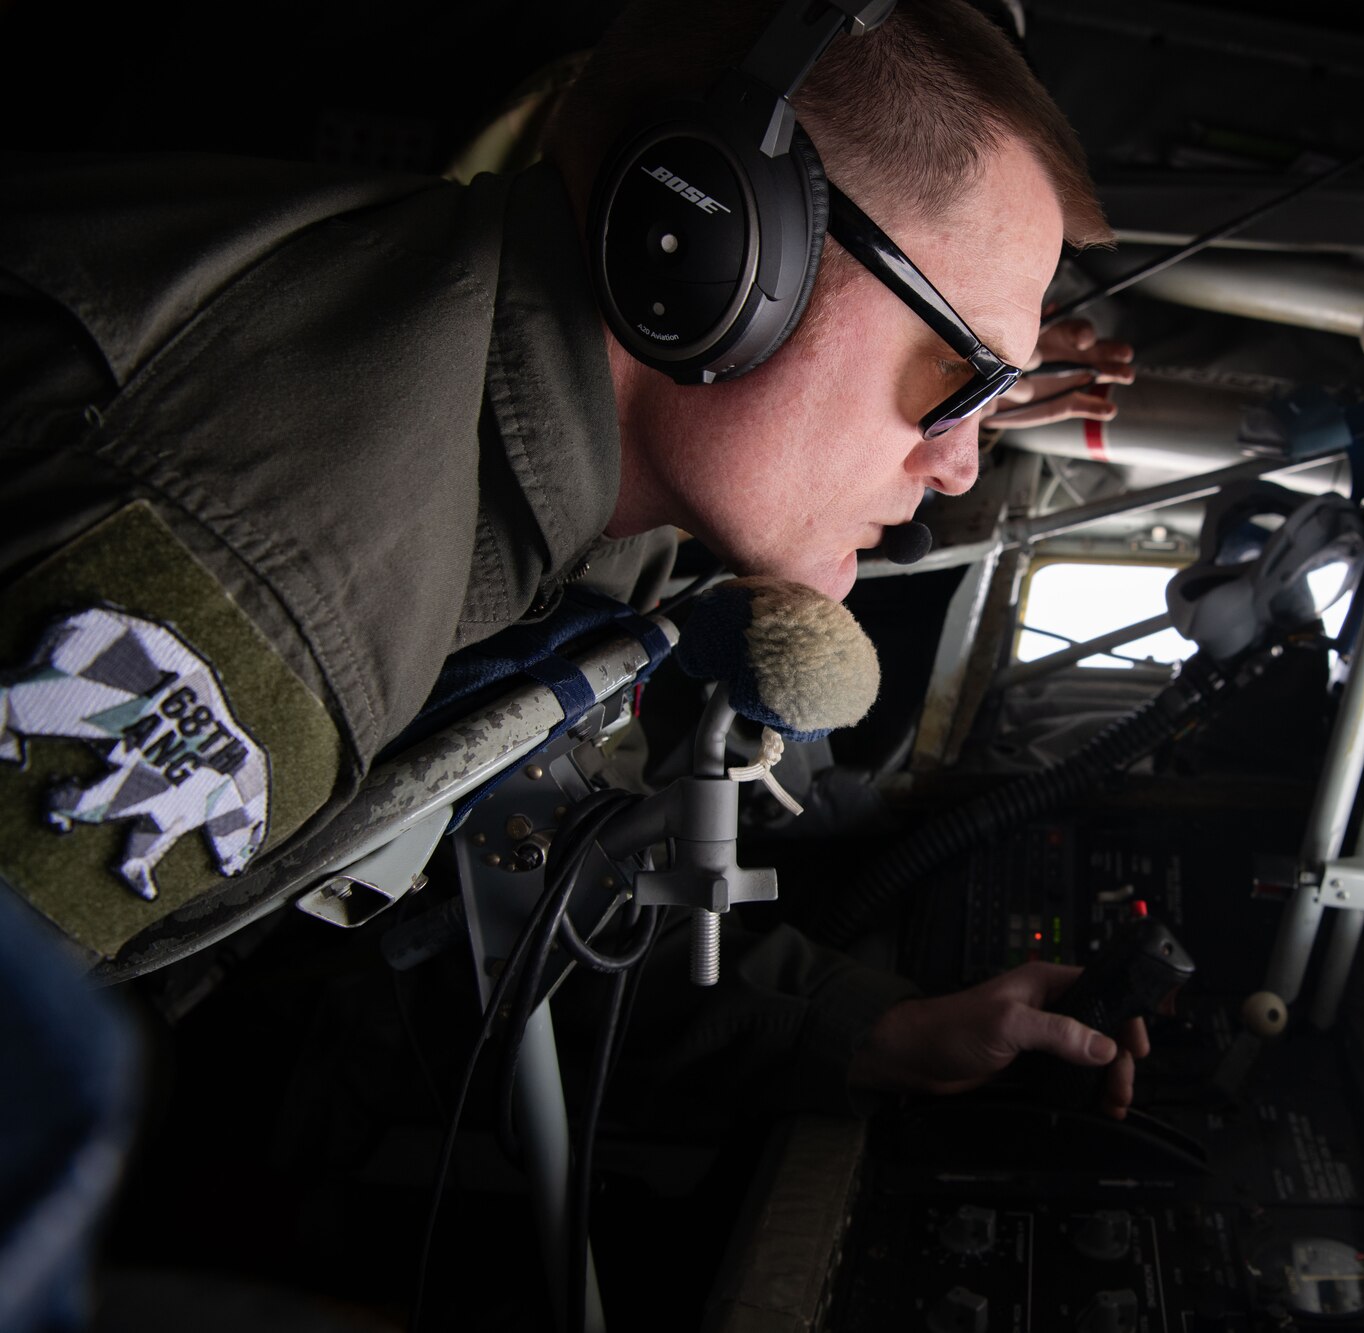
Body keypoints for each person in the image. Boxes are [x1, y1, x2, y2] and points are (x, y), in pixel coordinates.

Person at [0, 0, 1146, 1120]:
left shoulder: (596, 509)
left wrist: (861, 1028)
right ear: (714, 238)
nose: (957, 468)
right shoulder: (279, 583)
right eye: (962, 376)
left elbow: (508, 873)